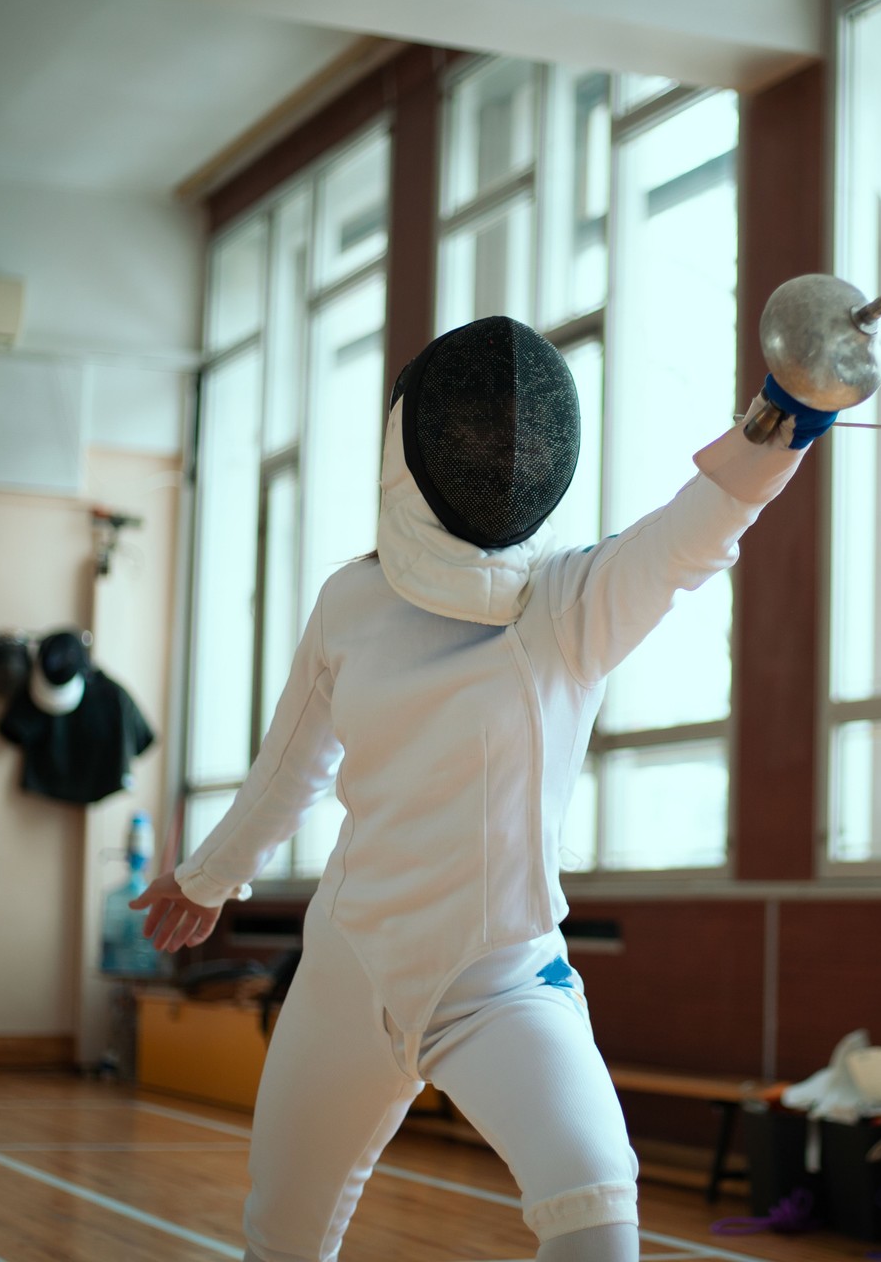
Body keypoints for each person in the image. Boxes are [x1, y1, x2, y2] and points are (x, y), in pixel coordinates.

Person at [131, 315, 835, 1262]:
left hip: (499, 981)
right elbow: (292, 767)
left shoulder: (568, 604)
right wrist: (207, 878)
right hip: (351, 965)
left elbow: (691, 533)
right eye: (473, 433)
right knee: (282, 1240)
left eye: (512, 437)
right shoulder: (353, 603)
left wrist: (784, 419)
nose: (495, 452)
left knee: (598, 1221)